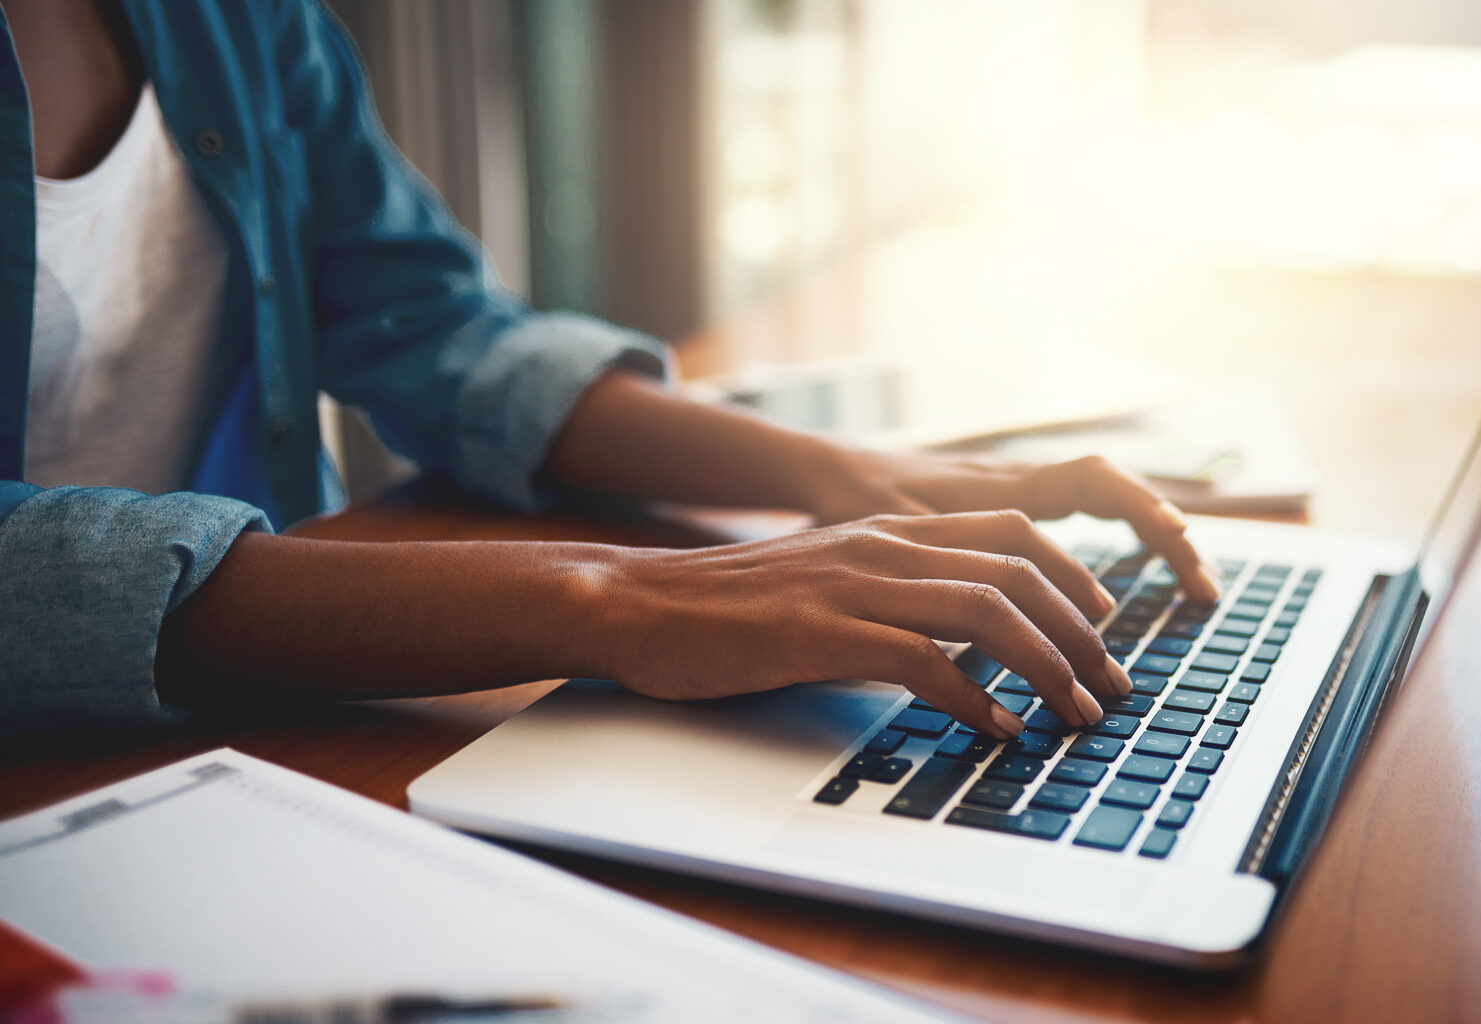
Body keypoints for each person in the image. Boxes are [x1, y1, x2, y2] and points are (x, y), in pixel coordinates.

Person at [0, 0, 1217, 740]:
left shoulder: (243, 18)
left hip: (295, 709)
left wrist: (844, 476)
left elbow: (431, 325)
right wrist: (614, 600)